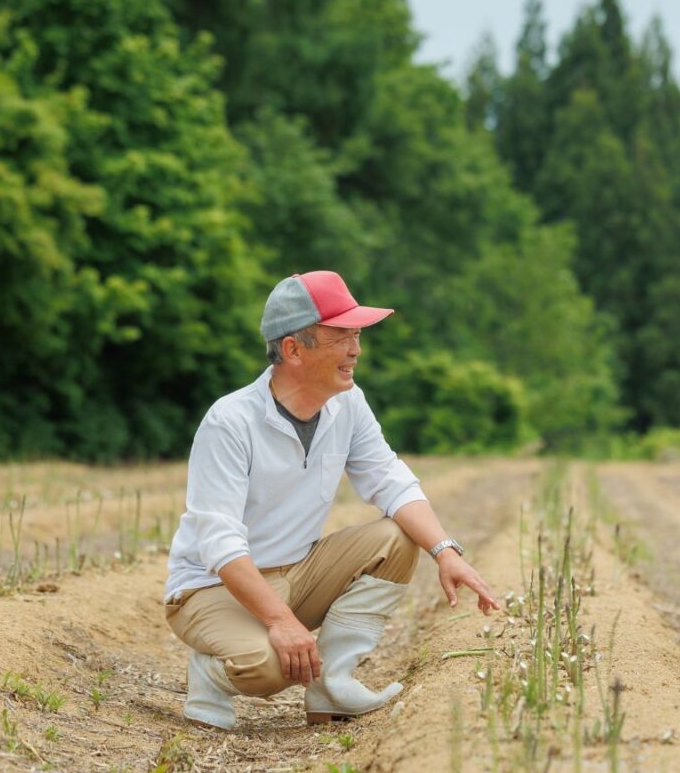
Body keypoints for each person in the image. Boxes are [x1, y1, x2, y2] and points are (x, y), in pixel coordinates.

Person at [164, 270, 500, 730]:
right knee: (276, 667)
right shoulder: (230, 422)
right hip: (212, 588)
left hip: (297, 573)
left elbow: (390, 479)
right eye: (341, 337)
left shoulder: (349, 403)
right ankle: (210, 674)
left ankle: (332, 685)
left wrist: (444, 551)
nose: (356, 350)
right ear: (293, 349)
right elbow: (220, 543)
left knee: (397, 537)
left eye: (357, 335)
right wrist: (281, 621)